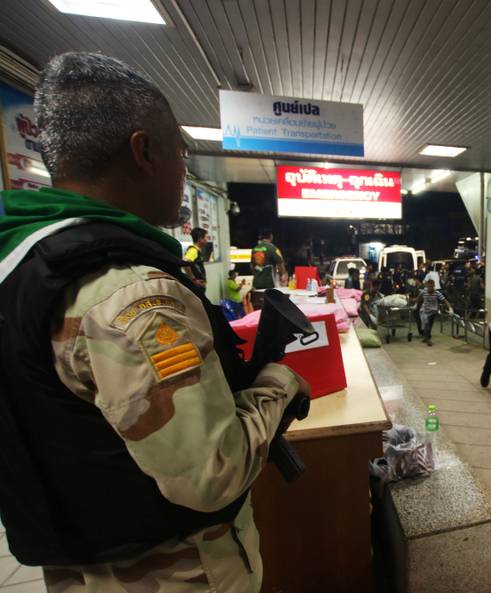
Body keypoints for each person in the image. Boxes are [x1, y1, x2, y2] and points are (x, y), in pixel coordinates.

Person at [0, 52, 309, 593]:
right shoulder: (134, 296)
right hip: (171, 572)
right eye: (181, 155)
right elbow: (211, 473)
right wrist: (281, 383)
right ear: (144, 151)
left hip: (81, 561)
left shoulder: (22, 261)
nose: (183, 172)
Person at [251, 228, 286, 309]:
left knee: (259, 307)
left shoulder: (255, 249)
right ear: (271, 236)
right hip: (269, 283)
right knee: (272, 306)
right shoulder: (272, 248)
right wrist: (282, 275)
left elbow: (252, 266)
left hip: (256, 283)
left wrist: (258, 274)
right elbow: (280, 264)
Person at [417, 279, 452, 346]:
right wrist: (416, 304)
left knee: (429, 325)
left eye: (431, 287)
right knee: (425, 325)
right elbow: (419, 298)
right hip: (424, 311)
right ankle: (427, 338)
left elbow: (445, 301)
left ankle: (427, 338)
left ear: (434, 286)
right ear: (426, 286)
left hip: (433, 311)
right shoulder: (424, 291)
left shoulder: (437, 293)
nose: (430, 288)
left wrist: (450, 308)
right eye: (429, 287)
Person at [183, 227, 209, 291]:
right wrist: (193, 279)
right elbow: (185, 263)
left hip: (199, 285)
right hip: (196, 286)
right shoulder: (193, 250)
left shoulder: (197, 250)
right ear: (200, 239)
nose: (207, 239)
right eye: (206, 237)